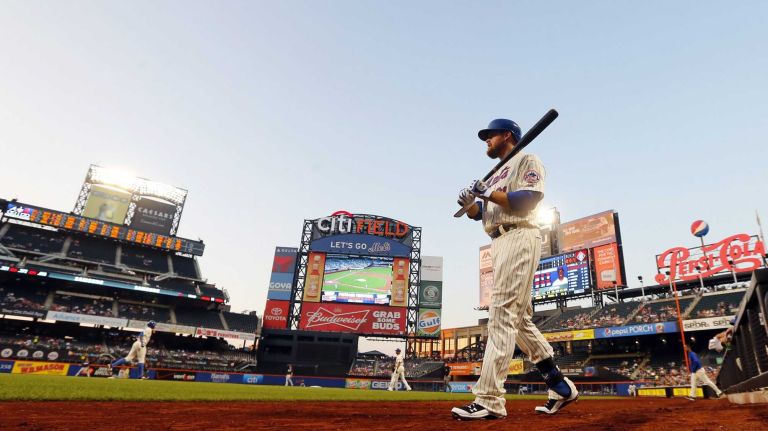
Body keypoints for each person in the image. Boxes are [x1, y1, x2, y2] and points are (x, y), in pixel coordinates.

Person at [452, 118, 578, 420]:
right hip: (498, 241)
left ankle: (489, 399)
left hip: (520, 235)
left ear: (507, 135)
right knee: (518, 319)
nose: (486, 140)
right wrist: (472, 204)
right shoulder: (497, 174)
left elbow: (526, 201)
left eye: (490, 136)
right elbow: (484, 213)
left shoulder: (527, 159)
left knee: (501, 315)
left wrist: (485, 193)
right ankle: (559, 384)